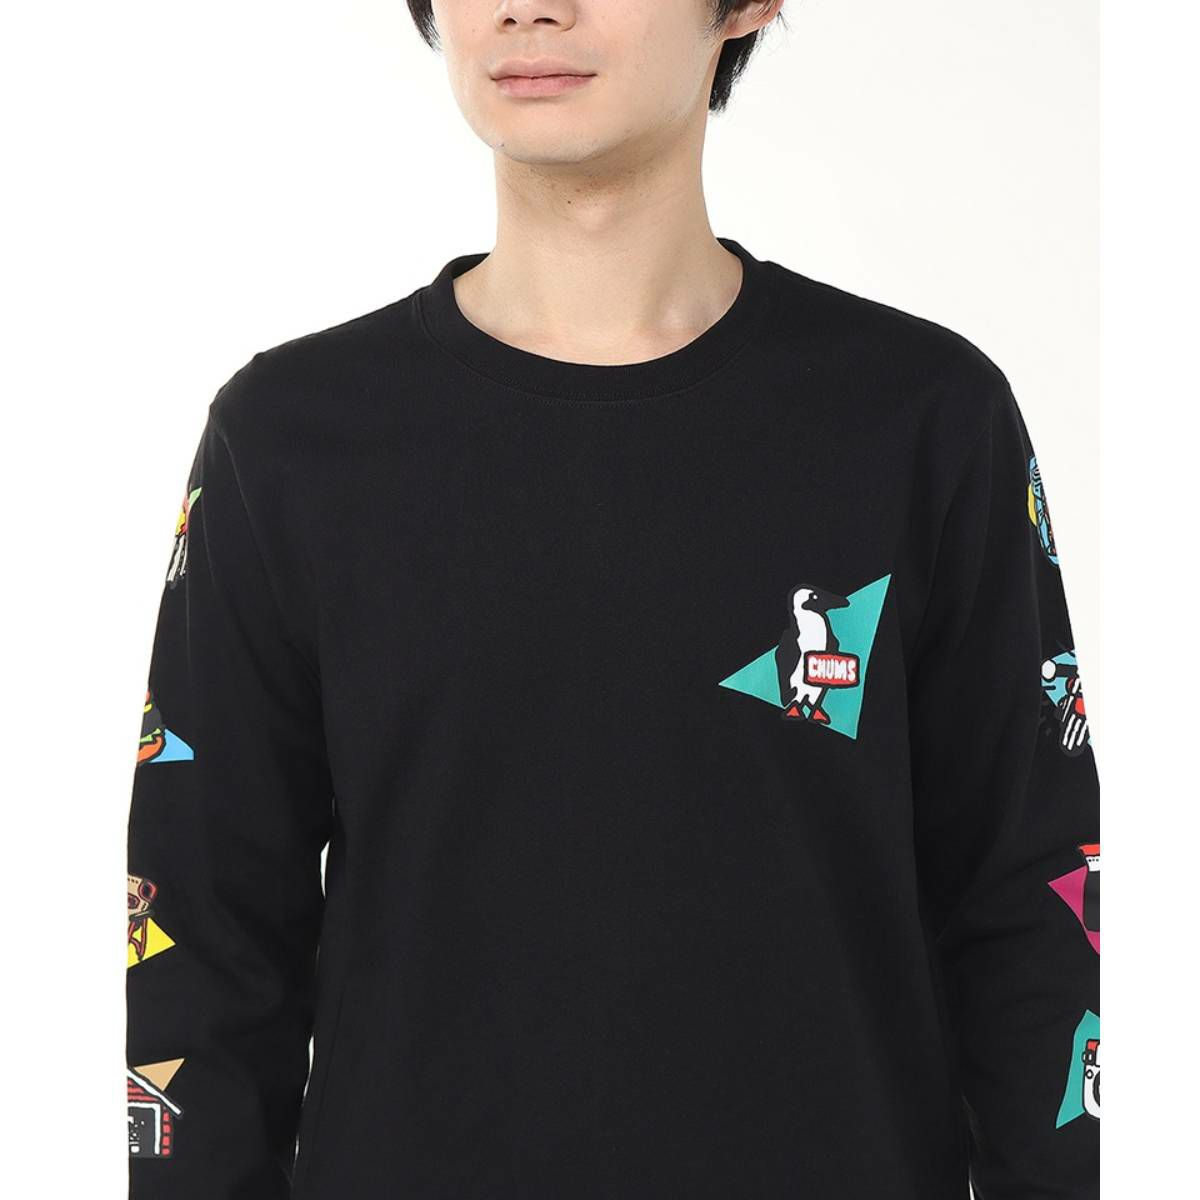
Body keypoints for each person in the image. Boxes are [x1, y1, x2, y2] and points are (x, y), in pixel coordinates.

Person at [124, 1, 1100, 1196]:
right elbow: (204, 944)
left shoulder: (923, 422)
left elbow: (1033, 915)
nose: (530, 7)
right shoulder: (289, 443)